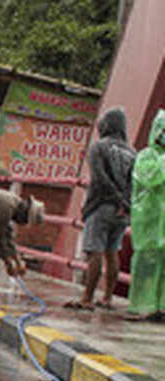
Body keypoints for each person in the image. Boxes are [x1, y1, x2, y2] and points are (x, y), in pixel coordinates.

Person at [64, 108, 136, 311]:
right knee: (112, 252)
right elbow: (133, 184)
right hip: (122, 211)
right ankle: (107, 298)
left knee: (94, 251)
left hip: (101, 205)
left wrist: (114, 199)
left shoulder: (99, 147)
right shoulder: (132, 152)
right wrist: (124, 204)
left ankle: (87, 298)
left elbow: (99, 178)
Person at [123, 109, 165, 322]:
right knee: (145, 265)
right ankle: (141, 306)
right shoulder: (146, 156)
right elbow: (150, 178)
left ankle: (161, 307)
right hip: (148, 223)